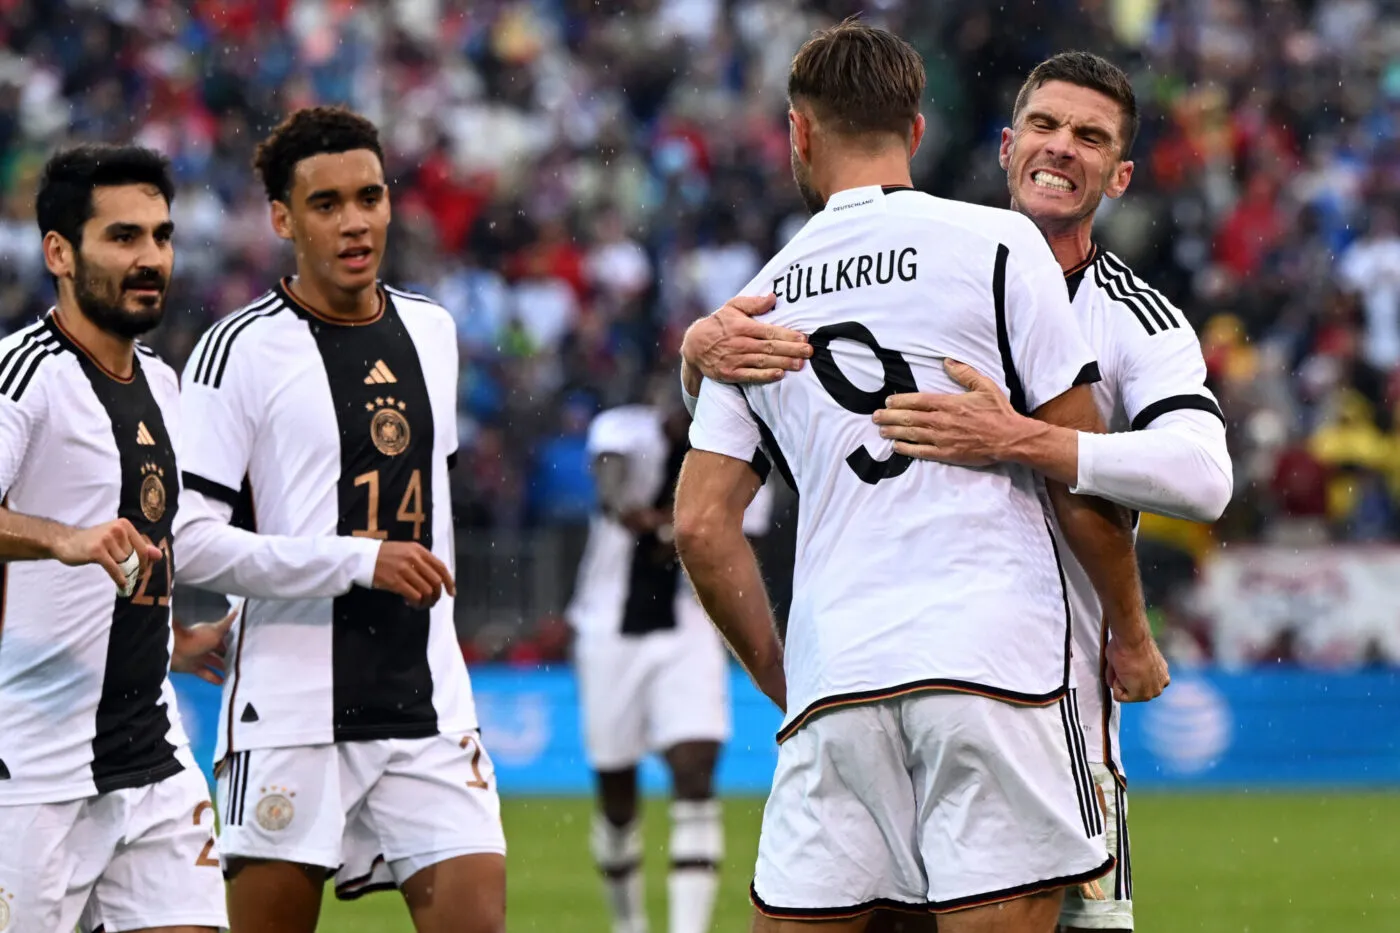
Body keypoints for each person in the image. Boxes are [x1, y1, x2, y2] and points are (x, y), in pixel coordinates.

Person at [684, 51, 1233, 933]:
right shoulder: (980, 250)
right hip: (984, 685)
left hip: (1063, 711)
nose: (1062, 148)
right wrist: (692, 361)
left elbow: (1206, 476)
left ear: (1121, 176)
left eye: (1090, 138)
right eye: (1046, 127)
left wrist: (1025, 440)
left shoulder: (1135, 314)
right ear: (1006, 146)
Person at [171, 107, 505, 933]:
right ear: (282, 219)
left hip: (429, 707)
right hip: (289, 707)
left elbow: (429, 503)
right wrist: (357, 561)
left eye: (370, 196)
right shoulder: (235, 351)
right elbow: (188, 542)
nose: (355, 221)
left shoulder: (432, 331)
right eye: (326, 205)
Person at [0, 144, 228, 933]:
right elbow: (76, 541)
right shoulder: (23, 376)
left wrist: (172, 640)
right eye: (123, 238)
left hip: (152, 754)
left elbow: (133, 545)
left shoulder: (166, 385)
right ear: (59, 253)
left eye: (161, 237)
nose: (150, 259)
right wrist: (61, 539)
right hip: (31, 767)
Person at [567, 369, 772, 933]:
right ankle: (628, 924)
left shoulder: (746, 462)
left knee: (696, 770)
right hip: (609, 625)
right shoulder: (623, 429)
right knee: (617, 794)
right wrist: (671, 529)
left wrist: (671, 533)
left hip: (686, 627)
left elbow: (731, 555)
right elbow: (614, 498)